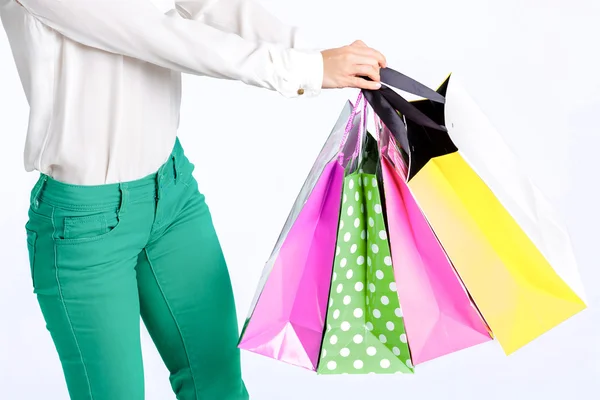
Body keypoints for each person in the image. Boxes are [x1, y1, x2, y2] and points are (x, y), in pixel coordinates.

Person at [0, 0, 386, 399]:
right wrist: (307, 69)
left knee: (219, 386)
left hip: (172, 196)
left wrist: (317, 55)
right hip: (85, 228)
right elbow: (153, 34)